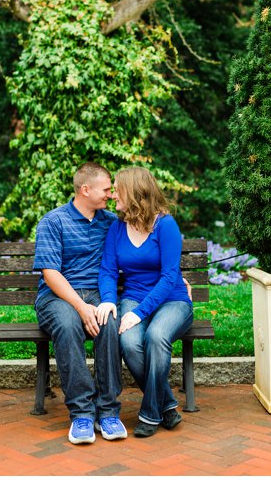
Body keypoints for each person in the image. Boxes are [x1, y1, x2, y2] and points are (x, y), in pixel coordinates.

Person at [33, 162, 127, 445]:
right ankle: (82, 414)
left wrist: (174, 280)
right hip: (58, 297)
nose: (110, 195)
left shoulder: (111, 222)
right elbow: (50, 273)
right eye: (106, 189)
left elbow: (142, 249)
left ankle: (108, 411)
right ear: (85, 190)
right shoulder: (53, 221)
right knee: (68, 323)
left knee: (110, 321)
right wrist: (80, 306)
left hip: (98, 293)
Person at [96, 166, 193, 438]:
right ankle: (167, 407)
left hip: (172, 300)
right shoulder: (117, 228)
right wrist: (107, 300)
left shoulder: (166, 225)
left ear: (134, 191)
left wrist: (140, 312)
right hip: (133, 298)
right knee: (128, 342)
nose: (113, 194)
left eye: (117, 189)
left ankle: (150, 414)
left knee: (157, 336)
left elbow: (169, 276)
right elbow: (107, 271)